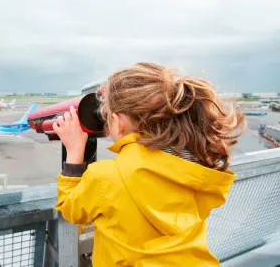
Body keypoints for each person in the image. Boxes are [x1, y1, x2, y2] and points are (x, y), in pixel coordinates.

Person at [52, 62, 246, 267]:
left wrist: (74, 152)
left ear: (119, 122)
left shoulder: (107, 177)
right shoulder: (196, 167)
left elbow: (71, 209)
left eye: (107, 117)